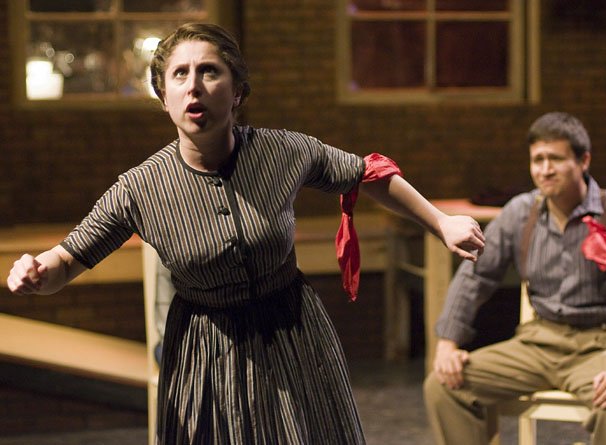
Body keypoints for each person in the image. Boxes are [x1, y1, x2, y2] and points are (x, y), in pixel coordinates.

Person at [6, 23, 485, 444]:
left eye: (210, 72)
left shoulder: (283, 151)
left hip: (293, 333)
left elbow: (366, 174)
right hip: (205, 349)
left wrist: (440, 221)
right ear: (163, 95)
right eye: (180, 74)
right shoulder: (139, 188)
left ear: (237, 92)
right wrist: (36, 271)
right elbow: (69, 258)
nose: (194, 86)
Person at [423, 111, 606, 445]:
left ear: (583, 160)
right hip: (538, 342)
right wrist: (447, 344)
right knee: (443, 385)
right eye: (538, 159)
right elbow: (476, 274)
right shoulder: (521, 212)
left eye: (556, 159)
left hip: (599, 344)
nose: (545, 169)